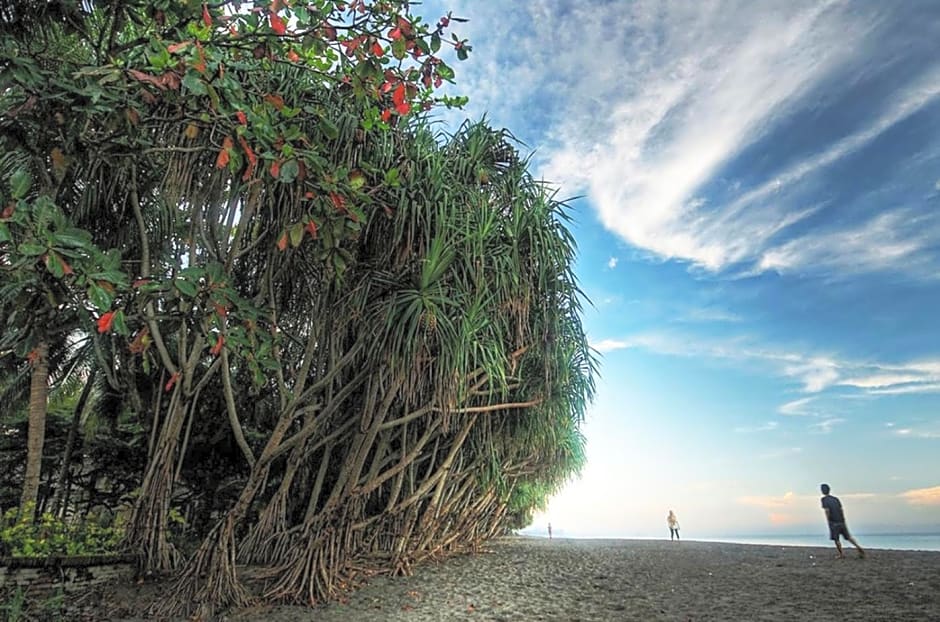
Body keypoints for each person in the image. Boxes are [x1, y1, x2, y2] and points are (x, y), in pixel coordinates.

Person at [820, 483, 865, 559]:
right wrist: (843, 519)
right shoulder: (836, 499)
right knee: (848, 537)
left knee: (836, 539)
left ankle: (841, 554)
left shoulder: (824, 499)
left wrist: (828, 521)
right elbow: (841, 510)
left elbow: (827, 510)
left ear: (823, 491)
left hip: (833, 521)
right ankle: (858, 547)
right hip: (841, 520)